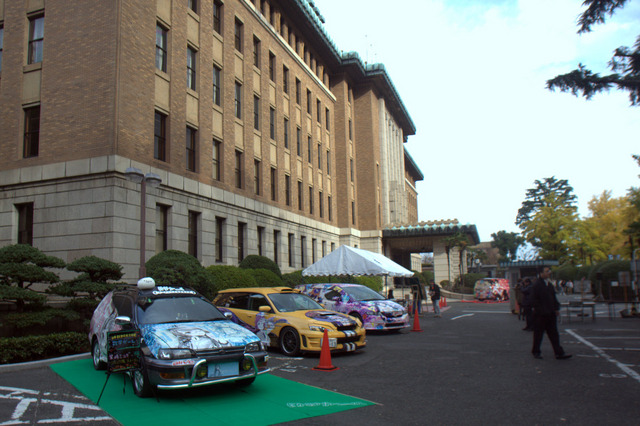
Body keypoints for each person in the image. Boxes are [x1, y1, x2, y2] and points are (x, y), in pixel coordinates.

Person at [531, 267, 572, 360]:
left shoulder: (549, 284)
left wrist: (556, 308)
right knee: (538, 334)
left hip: (550, 313)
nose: (549, 273)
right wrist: (541, 310)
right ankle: (536, 351)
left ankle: (559, 352)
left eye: (549, 271)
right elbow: (534, 300)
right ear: (541, 273)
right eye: (547, 271)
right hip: (540, 315)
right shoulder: (537, 285)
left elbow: (553, 297)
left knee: (554, 334)